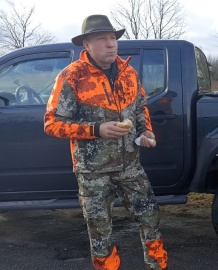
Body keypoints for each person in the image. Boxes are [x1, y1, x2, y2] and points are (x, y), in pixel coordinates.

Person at [44, 14, 168, 270]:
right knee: (100, 232)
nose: (111, 44)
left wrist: (146, 133)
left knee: (150, 216)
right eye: (102, 39)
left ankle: (158, 265)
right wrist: (96, 129)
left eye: (113, 38)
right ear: (86, 45)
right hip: (93, 173)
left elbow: (140, 109)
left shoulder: (129, 73)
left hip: (130, 167)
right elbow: (52, 124)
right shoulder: (71, 77)